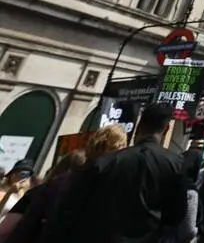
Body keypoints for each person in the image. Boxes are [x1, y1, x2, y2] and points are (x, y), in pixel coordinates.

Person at [47, 104, 187, 243]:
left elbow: (70, 205)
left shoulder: (107, 161)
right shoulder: (175, 164)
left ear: (140, 125)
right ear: (167, 128)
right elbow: (176, 215)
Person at [0, 150, 85, 241]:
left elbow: (4, 229)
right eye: (19, 173)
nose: (23, 177)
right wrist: (10, 193)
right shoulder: (36, 194)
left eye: (27, 174)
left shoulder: (36, 193)